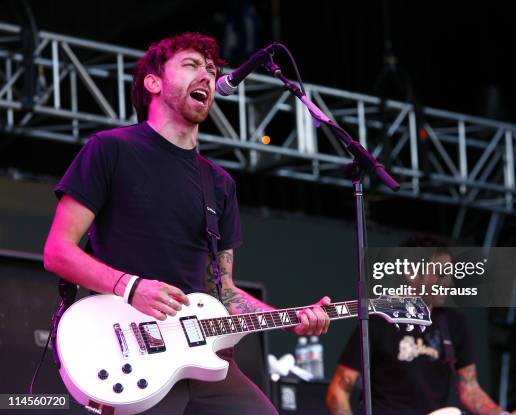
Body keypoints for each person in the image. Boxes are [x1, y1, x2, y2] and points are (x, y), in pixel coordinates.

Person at [43, 32, 331, 415]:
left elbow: (224, 292)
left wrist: (289, 320)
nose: (207, 77)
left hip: (200, 354)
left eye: (211, 71)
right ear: (154, 82)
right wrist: (131, 287)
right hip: (129, 348)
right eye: (192, 65)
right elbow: (58, 251)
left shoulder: (219, 184)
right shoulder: (110, 150)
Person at [326, 236, 516, 415]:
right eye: (440, 273)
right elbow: (338, 392)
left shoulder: (453, 323)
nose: (447, 282)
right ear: (411, 273)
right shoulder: (379, 320)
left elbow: (470, 390)